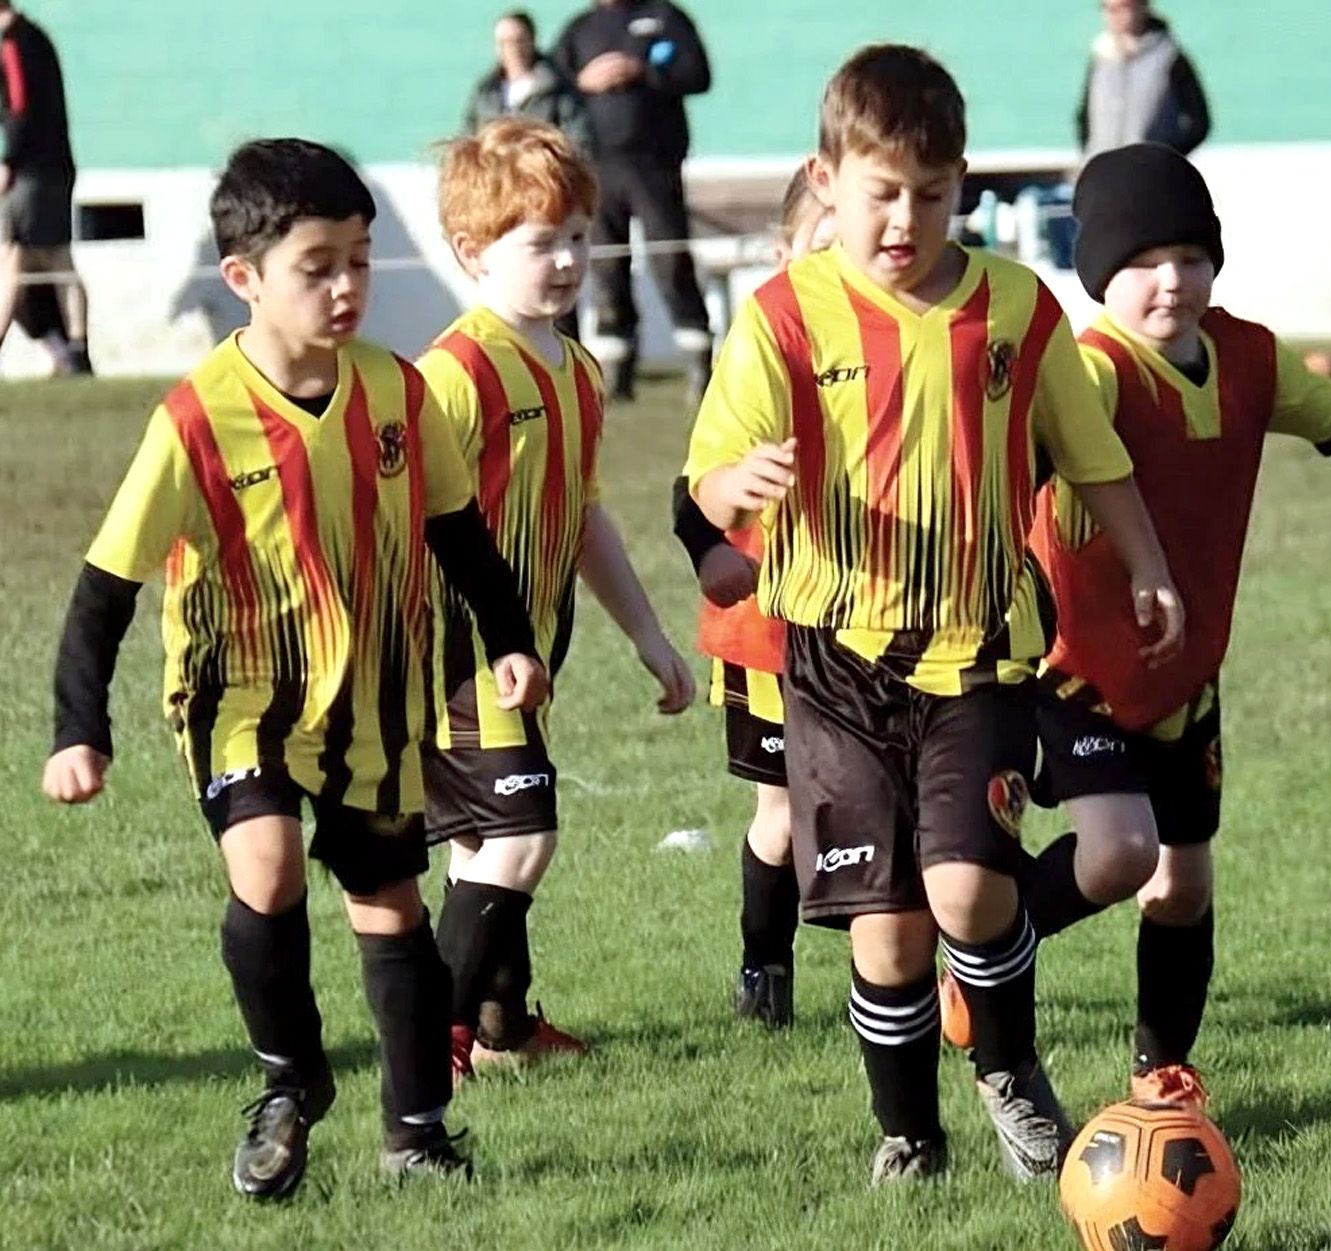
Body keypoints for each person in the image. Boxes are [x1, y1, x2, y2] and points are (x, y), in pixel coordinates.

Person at [683, 44, 1184, 1185]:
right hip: (835, 665)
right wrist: (730, 488)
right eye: (880, 195)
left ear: (962, 186)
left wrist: (1146, 562)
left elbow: (1090, 453)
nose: (905, 220)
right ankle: (908, 1134)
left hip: (979, 656)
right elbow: (706, 472)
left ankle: (1009, 1072)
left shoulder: (1014, 307)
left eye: (932, 193)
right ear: (825, 183)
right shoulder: (781, 315)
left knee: (966, 889)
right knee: (890, 932)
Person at [40, 138, 550, 1198]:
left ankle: (416, 1135)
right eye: (317, 266)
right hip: (241, 697)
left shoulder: (398, 394)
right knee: (264, 864)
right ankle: (288, 1082)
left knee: (389, 907)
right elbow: (106, 587)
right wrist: (77, 727)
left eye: (359, 260)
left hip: (375, 698)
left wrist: (509, 641)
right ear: (245, 280)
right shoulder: (196, 417)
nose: (346, 286)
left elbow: (460, 533)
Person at [953, 143, 1331, 1105]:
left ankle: (1159, 1074)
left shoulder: (1250, 356)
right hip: (1074, 666)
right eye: (1140, 262)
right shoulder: (1089, 373)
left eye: (1189, 255)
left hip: (1186, 672)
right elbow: (1014, 459)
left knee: (1180, 883)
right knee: (1120, 854)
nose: (1170, 279)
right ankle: (980, 957)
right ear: (1098, 274)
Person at [419, 118, 694, 1080]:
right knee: (523, 834)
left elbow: (581, 519)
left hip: (530, 652)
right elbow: (405, 524)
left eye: (580, 236)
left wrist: (650, 638)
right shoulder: (452, 375)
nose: (569, 258)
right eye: (541, 242)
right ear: (471, 251)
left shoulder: (577, 372)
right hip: (451, 656)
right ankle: (431, 1041)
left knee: (478, 849)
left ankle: (497, 1026)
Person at [670, 166, 832, 1031]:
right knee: (783, 808)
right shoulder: (766, 342)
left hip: (879, 622)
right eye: (822, 246)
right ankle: (764, 969)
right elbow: (689, 484)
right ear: (783, 254)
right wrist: (708, 548)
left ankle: (929, 974)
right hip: (769, 631)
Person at [552, 0, 713, 403]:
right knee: (607, 267)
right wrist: (583, 82)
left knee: (670, 262)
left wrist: (643, 72)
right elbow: (552, 82)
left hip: (655, 165)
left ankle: (699, 361)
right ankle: (617, 370)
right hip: (599, 168)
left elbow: (697, 74)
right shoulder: (580, 29)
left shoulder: (665, 16)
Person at [0, 1, 89, 374]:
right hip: (52, 166)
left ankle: (72, 349)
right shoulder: (36, 38)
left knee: (14, 259)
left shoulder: (13, 43)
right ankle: (74, 349)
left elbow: (20, 107)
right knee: (52, 260)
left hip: (33, 171)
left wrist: (9, 161)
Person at [1076, 1, 1210, 159]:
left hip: (1150, 174)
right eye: (1109, 9)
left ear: (1142, 7)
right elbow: (1084, 116)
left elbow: (1199, 121)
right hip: (1103, 172)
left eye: (1123, 7)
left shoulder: (1169, 57)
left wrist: (1166, 157)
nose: (1115, 16)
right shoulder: (1101, 57)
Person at [461, 10, 591, 151]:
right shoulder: (486, 92)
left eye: (518, 41)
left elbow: (578, 141)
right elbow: (469, 138)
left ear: (532, 41)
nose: (512, 49)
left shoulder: (558, 88)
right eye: (504, 43)